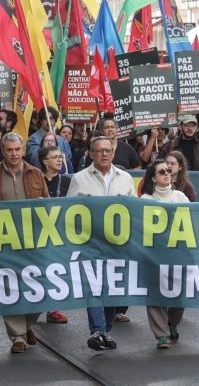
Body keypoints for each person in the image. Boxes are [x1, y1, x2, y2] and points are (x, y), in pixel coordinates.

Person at [0, 133, 49, 354]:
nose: (14, 154)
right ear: (3, 151)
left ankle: (28, 324)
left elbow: (50, 206)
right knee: (10, 288)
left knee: (39, 288)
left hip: (34, 241)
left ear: (23, 150)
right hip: (6, 242)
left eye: (17, 149)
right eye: (9, 150)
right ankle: (17, 336)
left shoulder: (36, 174)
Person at [68, 136, 135, 351]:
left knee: (112, 289)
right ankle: (97, 330)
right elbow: (69, 212)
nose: (104, 154)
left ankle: (104, 330)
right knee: (94, 286)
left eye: (108, 150)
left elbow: (135, 210)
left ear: (113, 153)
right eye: (100, 151)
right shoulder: (79, 178)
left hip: (118, 244)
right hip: (91, 244)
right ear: (91, 153)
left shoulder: (125, 178)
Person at [140, 159, 189, 349]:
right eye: (161, 172)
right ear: (153, 178)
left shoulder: (180, 197)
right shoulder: (144, 200)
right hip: (153, 254)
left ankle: (172, 322)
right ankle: (161, 334)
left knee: (180, 291)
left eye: (168, 170)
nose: (167, 173)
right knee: (155, 292)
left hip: (178, 253)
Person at [36, 145, 71, 325]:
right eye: (55, 157)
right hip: (37, 231)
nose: (60, 160)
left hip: (59, 230)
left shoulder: (66, 181)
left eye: (61, 156)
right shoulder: (35, 179)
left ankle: (53, 308)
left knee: (56, 269)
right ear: (45, 161)